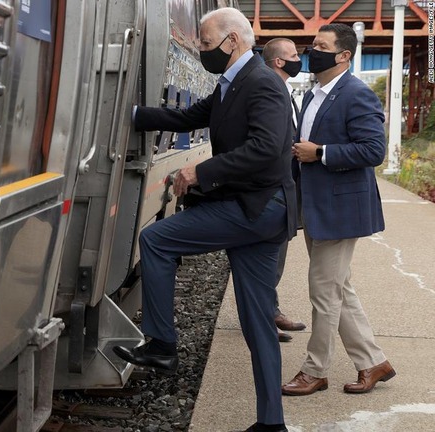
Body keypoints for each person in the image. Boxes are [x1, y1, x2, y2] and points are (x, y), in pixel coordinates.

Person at [112, 7, 296, 432]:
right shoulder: (231, 84)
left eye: (207, 45)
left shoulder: (263, 84)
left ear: (233, 41)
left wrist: (200, 171)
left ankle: (161, 344)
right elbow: (187, 117)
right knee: (256, 321)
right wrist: (133, 115)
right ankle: (272, 423)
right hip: (258, 210)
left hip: (259, 208)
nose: (202, 52)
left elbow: (267, 149)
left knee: (157, 240)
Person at [282, 23, 395, 396]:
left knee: (323, 292)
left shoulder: (356, 94)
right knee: (339, 290)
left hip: (341, 211)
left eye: (321, 45)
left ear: (344, 55)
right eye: (313, 44)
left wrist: (321, 153)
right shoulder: (313, 94)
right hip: (316, 206)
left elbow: (373, 150)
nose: (312, 50)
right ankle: (373, 362)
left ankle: (315, 371)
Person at [262, 38, 308, 343]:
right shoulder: (269, 89)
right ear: (279, 62)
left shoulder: (286, 90)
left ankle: (271, 309)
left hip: (287, 187)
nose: (298, 60)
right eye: (293, 56)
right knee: (266, 256)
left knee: (277, 255)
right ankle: (262, 318)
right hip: (270, 190)